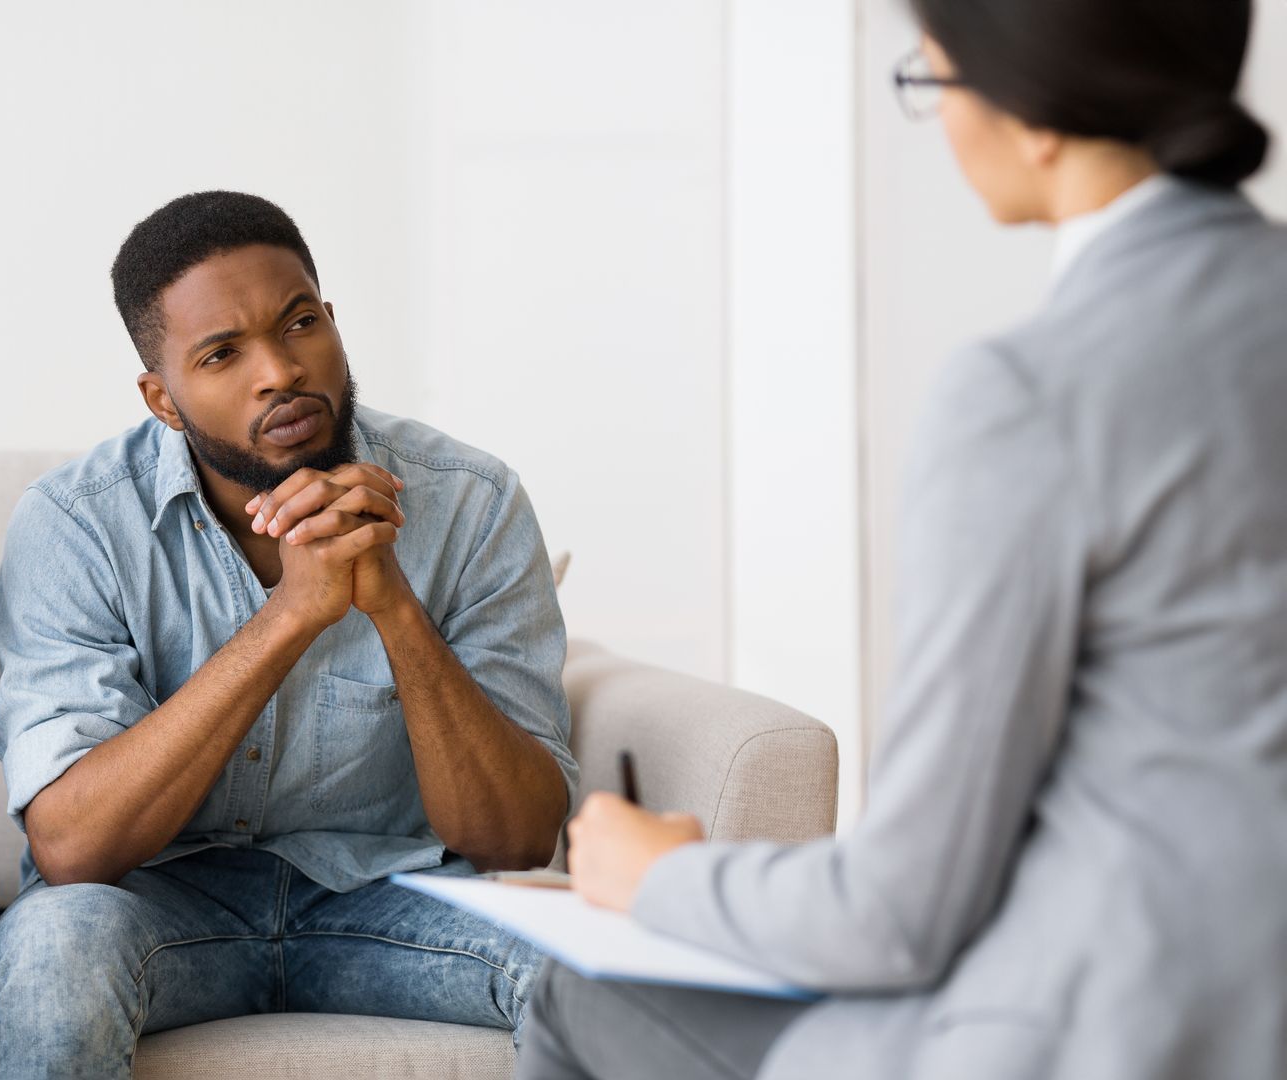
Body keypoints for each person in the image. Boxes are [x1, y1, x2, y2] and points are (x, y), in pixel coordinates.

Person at [520, 1, 1287, 1077]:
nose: (942, 122)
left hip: (1109, 1031)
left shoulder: (1030, 393)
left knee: (576, 989)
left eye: (933, 83)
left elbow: (901, 911)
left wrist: (656, 877)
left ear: (1038, 113)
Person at [0, 191, 578, 1078]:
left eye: (299, 323)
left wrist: (392, 606)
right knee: (52, 948)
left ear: (333, 324)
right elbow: (73, 848)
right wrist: (292, 615)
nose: (278, 371)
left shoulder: (472, 500)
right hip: (157, 908)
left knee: (588, 960)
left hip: (394, 896)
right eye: (222, 354)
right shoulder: (76, 525)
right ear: (164, 399)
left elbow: (518, 840)